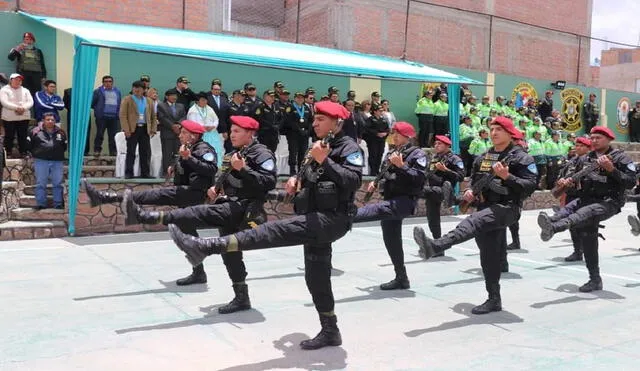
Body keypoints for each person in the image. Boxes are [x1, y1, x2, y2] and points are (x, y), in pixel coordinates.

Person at [168, 101, 362, 350]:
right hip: (313, 216)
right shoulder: (317, 147)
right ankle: (330, 330)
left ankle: (205, 246)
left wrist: (325, 162)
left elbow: (353, 181)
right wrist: (295, 180)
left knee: (275, 231)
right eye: (314, 119)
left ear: (337, 123)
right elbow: (307, 176)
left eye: (320, 120)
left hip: (332, 218)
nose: (314, 124)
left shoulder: (349, 148)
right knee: (316, 278)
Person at [122, 115, 276, 313]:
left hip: (247, 209)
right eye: (232, 130)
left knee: (197, 214)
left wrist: (244, 169)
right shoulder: (233, 152)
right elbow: (224, 175)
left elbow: (268, 183)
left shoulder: (261, 154)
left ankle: (151, 218)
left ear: (250, 134)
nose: (232, 134)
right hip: (230, 204)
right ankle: (241, 297)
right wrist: (217, 187)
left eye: (237, 131)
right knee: (230, 254)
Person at [413, 117, 537, 314]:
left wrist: (508, 177)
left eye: (499, 129)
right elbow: (475, 181)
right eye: (492, 129)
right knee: (488, 256)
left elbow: (530, 186)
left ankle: (437, 245)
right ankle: (494, 299)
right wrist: (471, 191)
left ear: (510, 133)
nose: (494, 133)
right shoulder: (483, 157)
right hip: (485, 206)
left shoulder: (521, 158)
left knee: (472, 222)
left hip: (507, 208)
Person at [83, 119, 217, 285]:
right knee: (188, 233)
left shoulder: (204, 149)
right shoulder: (189, 148)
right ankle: (199, 273)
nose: (180, 135)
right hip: (185, 192)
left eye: (183, 133)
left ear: (194, 135)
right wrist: (175, 166)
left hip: (194, 193)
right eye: (181, 132)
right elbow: (187, 165)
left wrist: (188, 159)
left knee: (154, 195)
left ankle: (107, 197)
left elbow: (211, 169)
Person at [537, 126, 636, 292]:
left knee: (584, 212)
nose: (594, 141)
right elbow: (577, 185)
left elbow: (630, 182)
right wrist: (567, 184)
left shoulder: (620, 158)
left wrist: (612, 170)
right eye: (593, 138)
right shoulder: (585, 160)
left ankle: (554, 228)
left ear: (609, 139)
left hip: (609, 202)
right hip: (585, 199)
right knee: (584, 233)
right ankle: (595, 280)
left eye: (598, 137)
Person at [354, 122, 426, 289]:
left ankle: (349, 216)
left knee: (377, 210)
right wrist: (376, 183)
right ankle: (401, 277)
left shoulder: (417, 154)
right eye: (394, 133)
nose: (395, 136)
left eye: (398, 133)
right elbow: (386, 174)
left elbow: (420, 178)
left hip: (404, 200)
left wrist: (403, 166)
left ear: (408, 136)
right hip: (390, 199)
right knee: (391, 240)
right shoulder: (392, 153)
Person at [421, 135, 464, 257]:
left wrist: (446, 170)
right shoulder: (434, 158)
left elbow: (460, 177)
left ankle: (454, 199)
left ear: (447, 146)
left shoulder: (454, 159)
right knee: (432, 219)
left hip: (444, 190)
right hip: (432, 190)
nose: (436, 146)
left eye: (439, 144)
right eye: (435, 144)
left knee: (419, 191)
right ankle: (438, 247)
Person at [552, 136, 592, 261]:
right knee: (573, 226)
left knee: (583, 225)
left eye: (581, 146)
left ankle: (587, 251)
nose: (577, 148)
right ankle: (577, 252)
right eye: (577, 145)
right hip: (570, 195)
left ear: (588, 148)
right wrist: (561, 181)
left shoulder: (590, 161)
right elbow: (561, 175)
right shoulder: (571, 161)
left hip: (583, 197)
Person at [27, 113, 66, 209]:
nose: (50, 121)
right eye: (48, 119)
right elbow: (29, 145)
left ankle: (58, 204)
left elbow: (64, 146)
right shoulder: (35, 131)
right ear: (43, 121)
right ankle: (41, 204)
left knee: (57, 183)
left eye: (52, 120)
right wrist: (36, 154)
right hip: (41, 161)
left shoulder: (61, 132)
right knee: (41, 183)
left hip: (57, 161)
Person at [119, 80, 157, 179]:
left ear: (144, 90)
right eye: (134, 87)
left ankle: (145, 173)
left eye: (139, 88)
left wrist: (153, 129)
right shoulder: (127, 99)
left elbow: (153, 116)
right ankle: (129, 173)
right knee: (131, 151)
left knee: (145, 152)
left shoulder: (148, 100)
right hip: (133, 129)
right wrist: (126, 129)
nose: (136, 90)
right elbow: (122, 115)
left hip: (144, 128)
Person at [0, 73, 33, 158]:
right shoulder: (4, 90)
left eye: (20, 80)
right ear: (11, 80)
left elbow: (30, 102)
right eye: (16, 80)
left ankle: (23, 152)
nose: (18, 81)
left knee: (23, 135)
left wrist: (23, 108)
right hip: (9, 118)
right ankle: (8, 153)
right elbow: (4, 102)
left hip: (23, 117)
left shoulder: (25, 90)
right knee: (9, 136)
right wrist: (17, 108)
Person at [157, 88, 186, 176]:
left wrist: (179, 125)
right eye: (172, 95)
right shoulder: (161, 105)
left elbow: (184, 116)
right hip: (167, 133)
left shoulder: (180, 106)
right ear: (167, 96)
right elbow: (162, 118)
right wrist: (172, 126)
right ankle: (166, 172)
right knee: (167, 154)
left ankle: (178, 173)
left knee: (178, 154)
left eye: (175, 95)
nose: (174, 97)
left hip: (178, 134)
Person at [188, 92, 223, 165]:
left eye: (206, 100)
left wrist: (213, 126)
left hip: (212, 133)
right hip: (200, 135)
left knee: (216, 151)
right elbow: (192, 123)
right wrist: (203, 127)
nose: (205, 102)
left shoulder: (209, 108)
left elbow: (216, 119)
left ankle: (217, 166)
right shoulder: (193, 110)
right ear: (197, 101)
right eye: (203, 100)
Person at [7, 32, 46, 97]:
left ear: (33, 41)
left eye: (30, 39)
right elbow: (10, 58)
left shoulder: (38, 51)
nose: (28, 41)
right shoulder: (18, 49)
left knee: (36, 94)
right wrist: (18, 49)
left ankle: (35, 107)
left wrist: (44, 76)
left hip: (36, 75)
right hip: (23, 74)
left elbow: (42, 64)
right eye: (27, 39)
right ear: (24, 40)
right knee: (23, 93)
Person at [91, 75, 122, 156]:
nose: (108, 83)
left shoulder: (117, 91)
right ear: (103, 83)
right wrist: (98, 111)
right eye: (106, 81)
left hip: (114, 117)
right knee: (100, 134)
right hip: (102, 117)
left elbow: (119, 103)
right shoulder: (97, 91)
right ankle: (97, 150)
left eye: (110, 81)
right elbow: (92, 103)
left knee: (113, 136)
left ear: (112, 82)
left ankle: (113, 152)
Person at [285, 92, 313, 175]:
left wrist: (308, 131)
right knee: (293, 152)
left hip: (304, 135)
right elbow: (289, 121)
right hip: (293, 134)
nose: (300, 99)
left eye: (302, 98)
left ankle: (301, 171)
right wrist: (299, 130)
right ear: (295, 98)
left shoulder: (306, 108)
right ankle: (292, 171)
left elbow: (311, 121)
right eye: (298, 98)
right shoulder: (290, 107)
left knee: (303, 153)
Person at [363, 102, 389, 176]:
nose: (381, 112)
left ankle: (377, 170)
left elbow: (387, 129)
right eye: (380, 111)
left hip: (381, 140)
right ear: (375, 111)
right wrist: (377, 133)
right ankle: (373, 171)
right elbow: (367, 129)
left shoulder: (383, 120)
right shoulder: (370, 119)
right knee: (373, 155)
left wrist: (385, 133)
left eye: (382, 111)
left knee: (379, 154)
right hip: (373, 140)